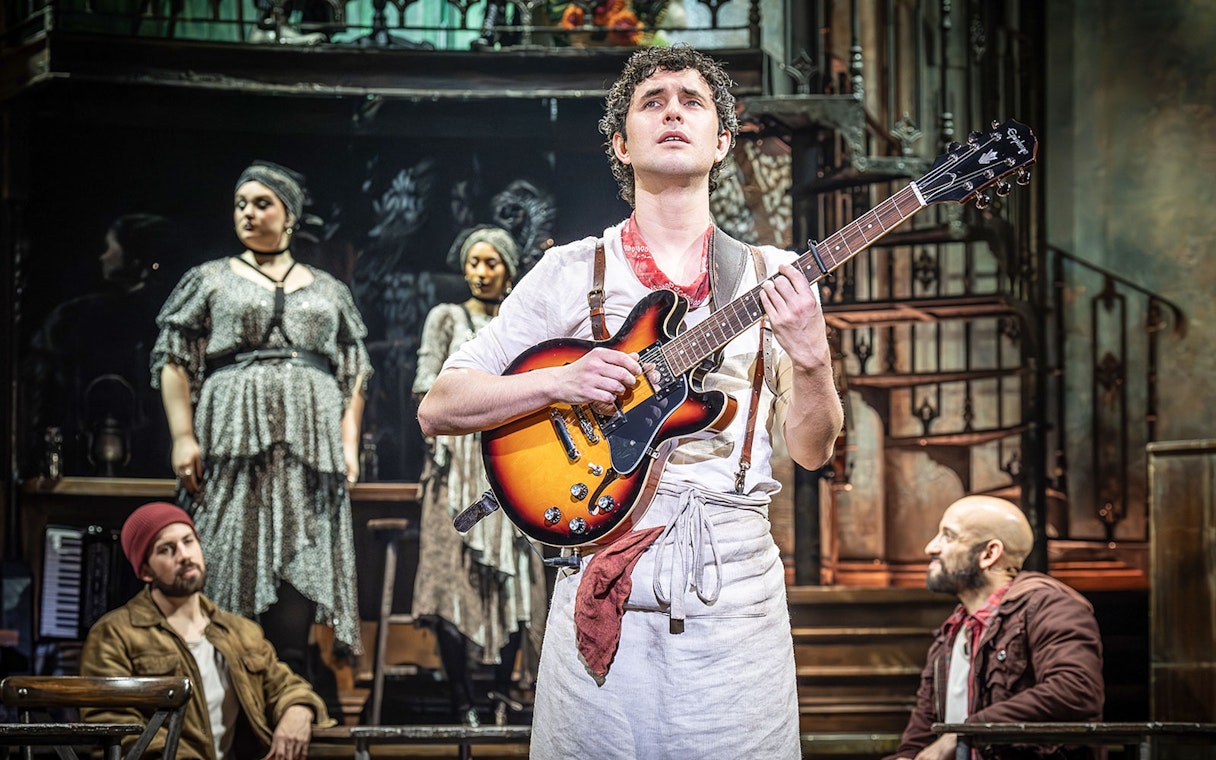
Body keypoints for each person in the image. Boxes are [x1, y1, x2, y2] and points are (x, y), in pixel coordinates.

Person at [417, 45, 844, 758]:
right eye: (652, 101)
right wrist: (561, 380)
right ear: (620, 142)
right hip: (599, 568)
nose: (672, 109)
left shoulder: (777, 277)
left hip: (733, 594)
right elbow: (440, 404)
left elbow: (811, 449)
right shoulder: (568, 269)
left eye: (692, 100)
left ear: (723, 140)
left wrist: (813, 357)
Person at [151, 160, 373, 692]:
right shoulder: (209, 279)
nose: (248, 213)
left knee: (301, 553)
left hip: (308, 450)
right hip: (234, 444)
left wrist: (348, 444)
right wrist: (183, 435)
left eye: (261, 203)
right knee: (232, 554)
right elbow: (173, 357)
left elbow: (354, 369)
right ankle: (231, 693)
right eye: (241, 204)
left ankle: (291, 685)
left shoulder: (327, 288)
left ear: (289, 215)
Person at [410, 225, 547, 726]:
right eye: (473, 262)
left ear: (509, 268)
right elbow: (426, 387)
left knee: (513, 576)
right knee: (452, 576)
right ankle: (461, 699)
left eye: (491, 263)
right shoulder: (445, 317)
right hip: (459, 463)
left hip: (515, 456)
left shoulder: (522, 317)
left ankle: (501, 693)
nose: (481, 272)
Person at [81, 501, 334, 759]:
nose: (184, 555)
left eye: (188, 541)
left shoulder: (239, 631)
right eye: (166, 550)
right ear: (146, 571)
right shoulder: (115, 633)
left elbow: (284, 685)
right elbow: (113, 724)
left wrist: (298, 710)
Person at [886, 495, 1105, 760]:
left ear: (989, 554)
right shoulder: (954, 630)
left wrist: (964, 733)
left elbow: (1075, 690)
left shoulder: (1050, 607)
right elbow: (925, 725)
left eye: (948, 536)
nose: (930, 547)